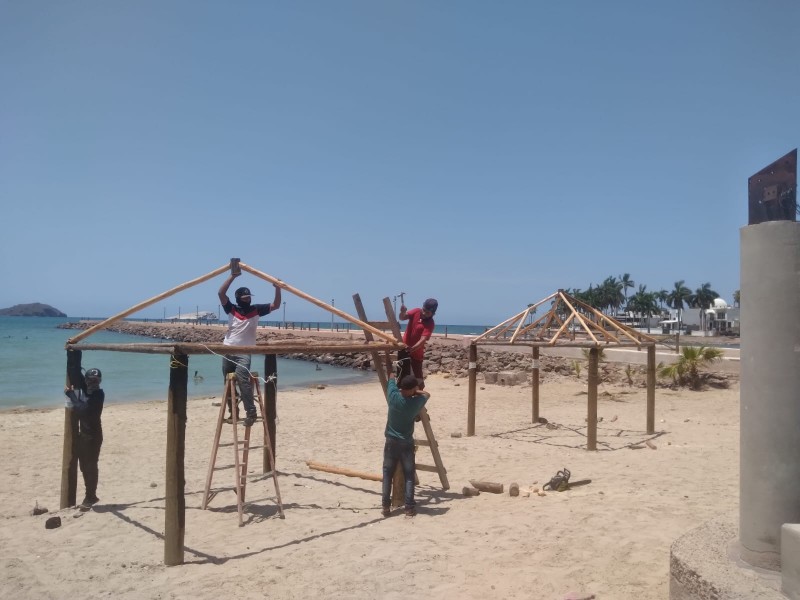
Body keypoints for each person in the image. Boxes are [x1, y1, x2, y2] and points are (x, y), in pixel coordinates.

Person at [218, 269, 281, 427]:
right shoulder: (231, 309)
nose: (247, 299)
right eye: (244, 297)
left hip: (244, 352)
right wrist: (233, 276)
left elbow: (276, 305)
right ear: (239, 298)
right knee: (228, 382)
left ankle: (251, 412)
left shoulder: (256, 309)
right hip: (228, 350)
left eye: (248, 297)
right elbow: (221, 293)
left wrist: (277, 288)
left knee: (242, 378)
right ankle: (233, 411)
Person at [381, 370, 430, 518]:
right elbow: (427, 394)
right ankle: (409, 507)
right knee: (409, 475)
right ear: (413, 389)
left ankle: (385, 506)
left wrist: (392, 373)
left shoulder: (393, 396)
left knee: (387, 474)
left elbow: (390, 379)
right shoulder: (414, 402)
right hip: (406, 443)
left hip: (390, 441)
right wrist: (417, 392)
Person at [64, 368, 105, 508]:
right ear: (86, 381)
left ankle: (91, 496)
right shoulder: (86, 389)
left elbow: (83, 410)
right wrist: (73, 350)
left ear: (100, 381)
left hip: (93, 437)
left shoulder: (98, 395)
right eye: (91, 380)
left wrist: (71, 395)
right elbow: (75, 371)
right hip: (84, 435)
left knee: (90, 466)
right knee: (83, 466)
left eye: (96, 380)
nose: (93, 383)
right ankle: (90, 495)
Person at [398, 298, 438, 390]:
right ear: (422, 307)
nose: (424, 313)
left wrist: (411, 349)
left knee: (418, 380)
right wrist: (402, 311)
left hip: (416, 355)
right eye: (424, 310)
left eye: (428, 312)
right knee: (402, 379)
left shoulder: (430, 323)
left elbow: (422, 340)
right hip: (404, 350)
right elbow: (402, 317)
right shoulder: (416, 311)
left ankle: (419, 401)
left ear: (433, 314)